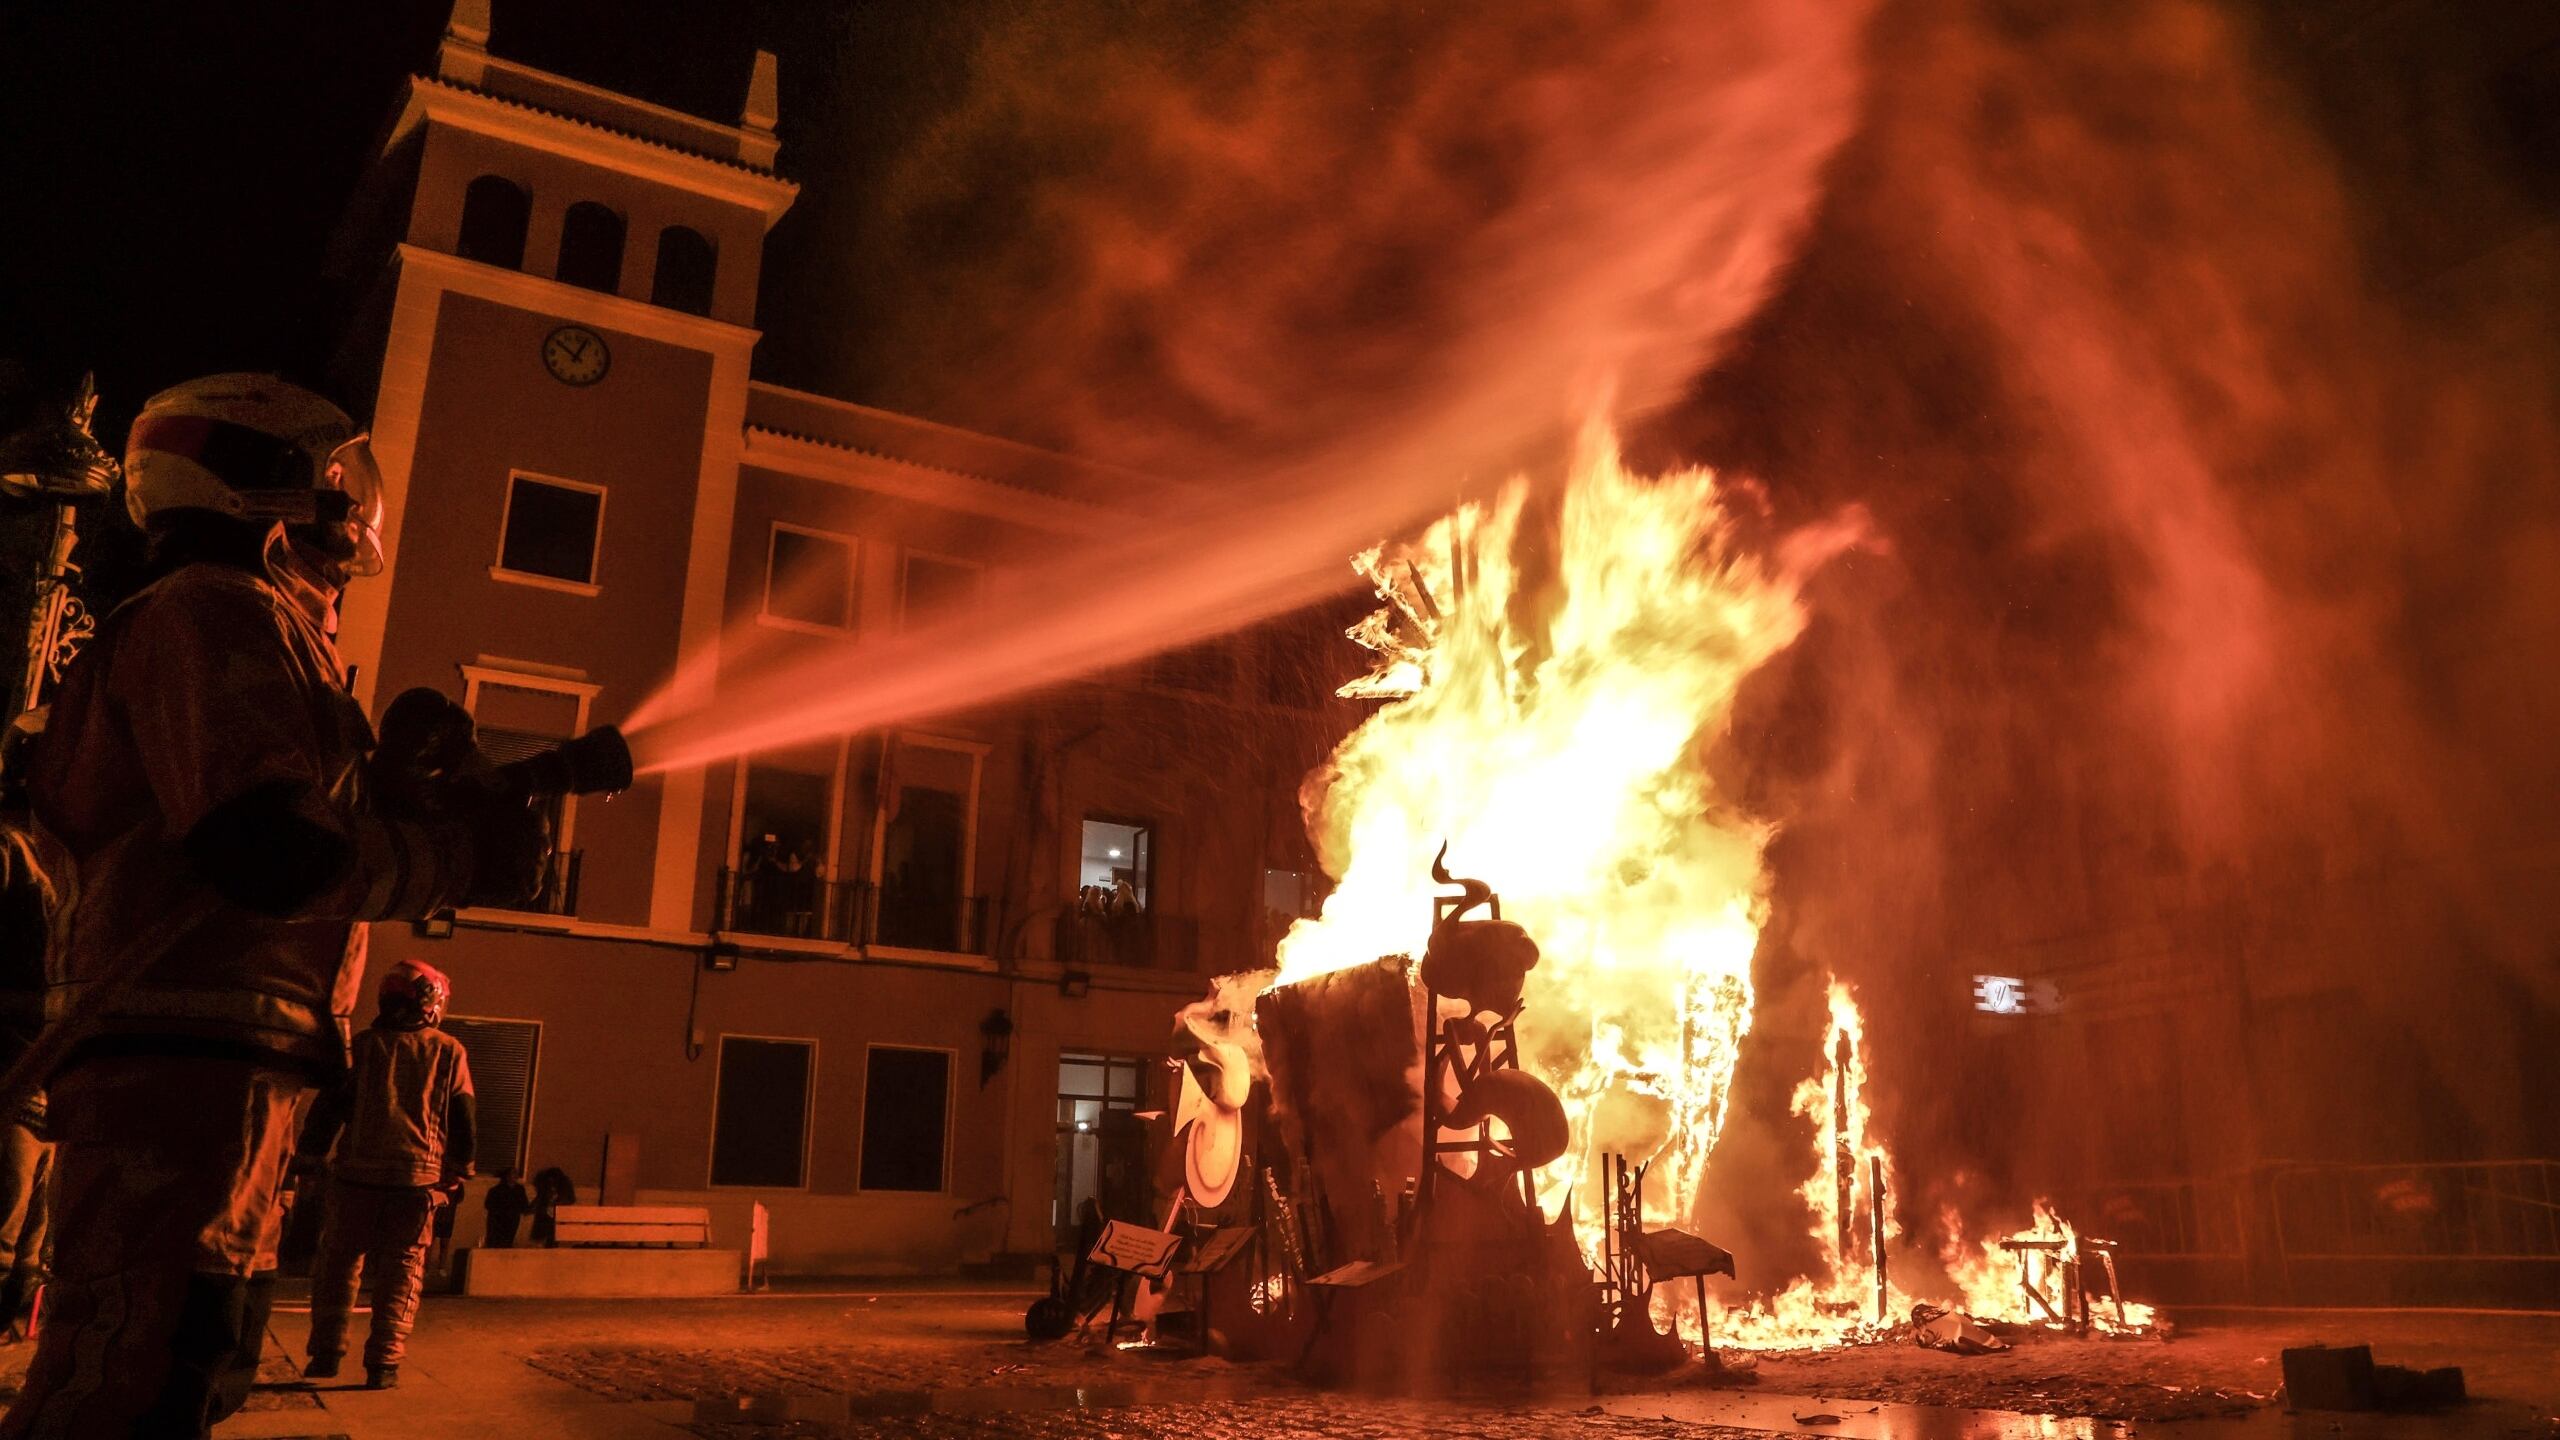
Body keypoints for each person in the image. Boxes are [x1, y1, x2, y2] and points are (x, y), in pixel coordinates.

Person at [2, 375, 547, 1439]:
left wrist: (404, 793)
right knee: (132, 1375)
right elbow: (270, 852)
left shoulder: (259, 627)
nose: (351, 519)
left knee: (193, 1359)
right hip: (181, 1054)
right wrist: (450, 858)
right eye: (335, 487)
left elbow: (290, 824)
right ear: (266, 484)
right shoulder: (220, 610)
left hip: (225, 1062)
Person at [301, 960, 473, 1390]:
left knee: (338, 1264)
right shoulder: (449, 1051)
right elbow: (464, 1115)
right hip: (416, 1182)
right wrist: (458, 1170)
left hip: (354, 1176)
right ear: (433, 1002)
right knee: (402, 1271)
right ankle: (383, 1364)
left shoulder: (361, 1046)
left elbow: (328, 1109)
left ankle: (326, 1352)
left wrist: (310, 1157)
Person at [528, 1167, 576, 1247]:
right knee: (545, 1236)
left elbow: (571, 1199)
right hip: (546, 1215)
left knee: (554, 1237)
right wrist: (532, 1207)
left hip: (558, 1215)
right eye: (550, 1180)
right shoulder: (546, 1187)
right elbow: (540, 1198)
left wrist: (558, 1203)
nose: (552, 1182)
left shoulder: (564, 1188)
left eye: (554, 1180)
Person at [482, 1170, 530, 1249]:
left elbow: (524, 1203)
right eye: (513, 1174)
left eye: (516, 1175)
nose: (515, 1177)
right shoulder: (496, 1190)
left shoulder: (519, 1189)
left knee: (508, 1240)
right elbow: (489, 1205)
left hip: (512, 1219)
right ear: (507, 1177)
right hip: (498, 1220)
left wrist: (522, 1210)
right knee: (496, 1241)